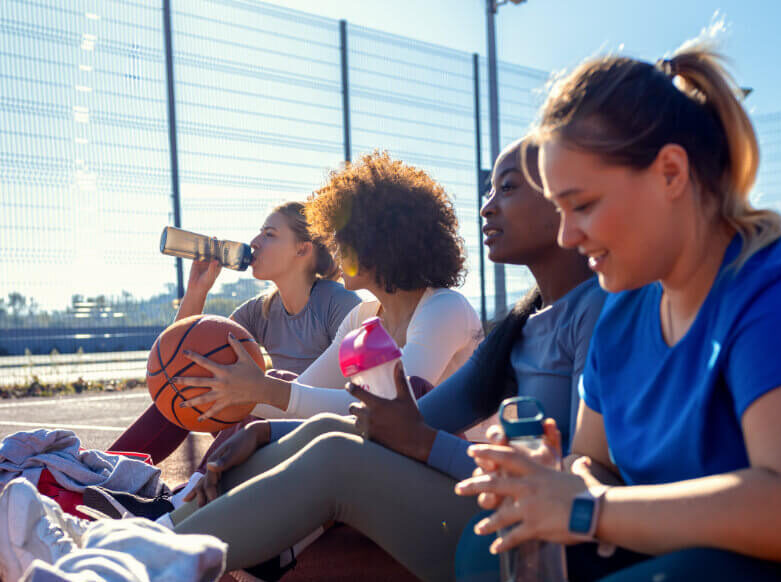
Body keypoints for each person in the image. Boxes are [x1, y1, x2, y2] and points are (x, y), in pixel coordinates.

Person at [454, 39, 781, 581]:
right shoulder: (624, 310)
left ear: (672, 174)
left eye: (582, 205)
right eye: (560, 210)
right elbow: (595, 461)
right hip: (659, 560)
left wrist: (585, 510)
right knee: (487, 546)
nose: (567, 234)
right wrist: (558, 482)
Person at [153, 140, 606, 582]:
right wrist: (265, 426)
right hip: (490, 501)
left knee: (336, 455)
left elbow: (409, 430)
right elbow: (398, 421)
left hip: (527, 534)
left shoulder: (583, 312)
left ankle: (142, 560)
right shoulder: (520, 326)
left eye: (506, 189)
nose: (486, 208)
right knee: (319, 434)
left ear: (564, 197)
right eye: (488, 191)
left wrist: (421, 441)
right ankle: (160, 529)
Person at [175, 151, 483, 423]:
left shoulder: (444, 308)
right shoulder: (361, 321)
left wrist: (263, 390)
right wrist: (233, 391)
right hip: (394, 462)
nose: (334, 246)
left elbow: (394, 406)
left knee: (320, 436)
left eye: (343, 236)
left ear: (381, 240)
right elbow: (305, 395)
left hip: (457, 473)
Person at [109, 202, 361, 463]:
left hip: (317, 430)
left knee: (258, 385)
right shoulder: (261, 309)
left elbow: (354, 391)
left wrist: (261, 388)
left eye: (269, 234)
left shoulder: (338, 303)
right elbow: (182, 355)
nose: (254, 241)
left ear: (302, 248)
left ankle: (195, 492)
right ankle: (104, 472)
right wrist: (197, 290)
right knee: (183, 381)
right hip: (266, 422)